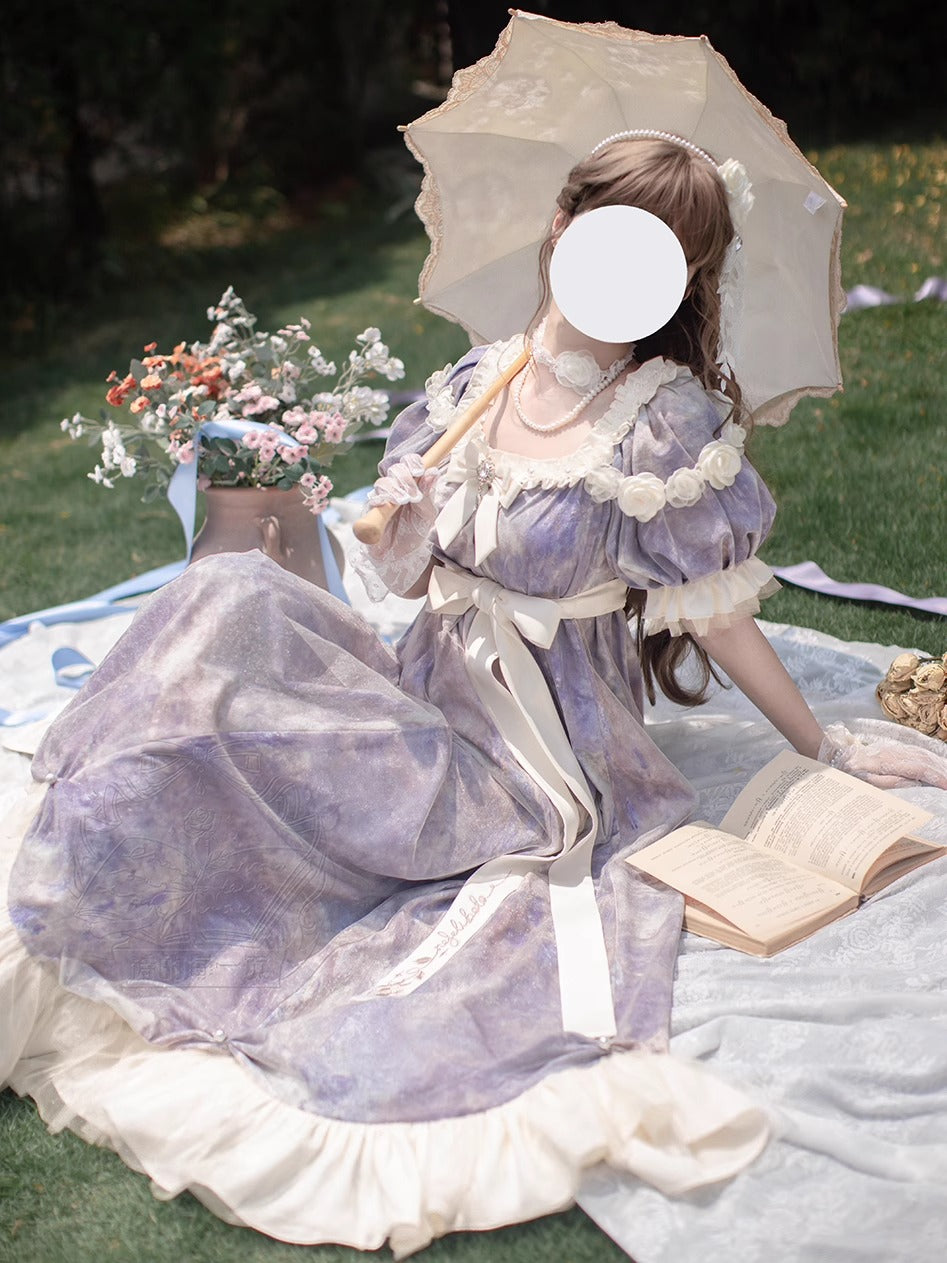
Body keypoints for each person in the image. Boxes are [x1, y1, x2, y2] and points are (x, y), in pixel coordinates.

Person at [3, 134, 941, 1256]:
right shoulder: (475, 381)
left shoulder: (660, 424)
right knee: (226, 605)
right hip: (428, 686)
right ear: (563, 229)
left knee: (258, 712)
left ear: (683, 277)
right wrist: (400, 530)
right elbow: (409, 581)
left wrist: (818, 745)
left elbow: (716, 613)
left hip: (541, 752)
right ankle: (86, 867)